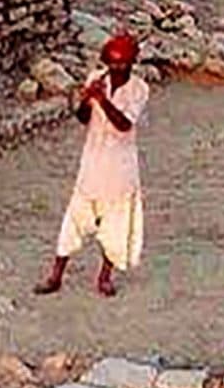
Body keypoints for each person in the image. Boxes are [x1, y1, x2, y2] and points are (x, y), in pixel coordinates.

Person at [38, 31, 149, 298]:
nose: (115, 69)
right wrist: (88, 98)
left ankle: (104, 277)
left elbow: (124, 125)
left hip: (120, 168)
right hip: (92, 163)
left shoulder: (139, 89)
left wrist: (102, 100)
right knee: (73, 221)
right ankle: (56, 275)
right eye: (112, 64)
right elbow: (83, 118)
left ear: (131, 64)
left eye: (121, 64)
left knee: (115, 225)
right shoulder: (96, 79)